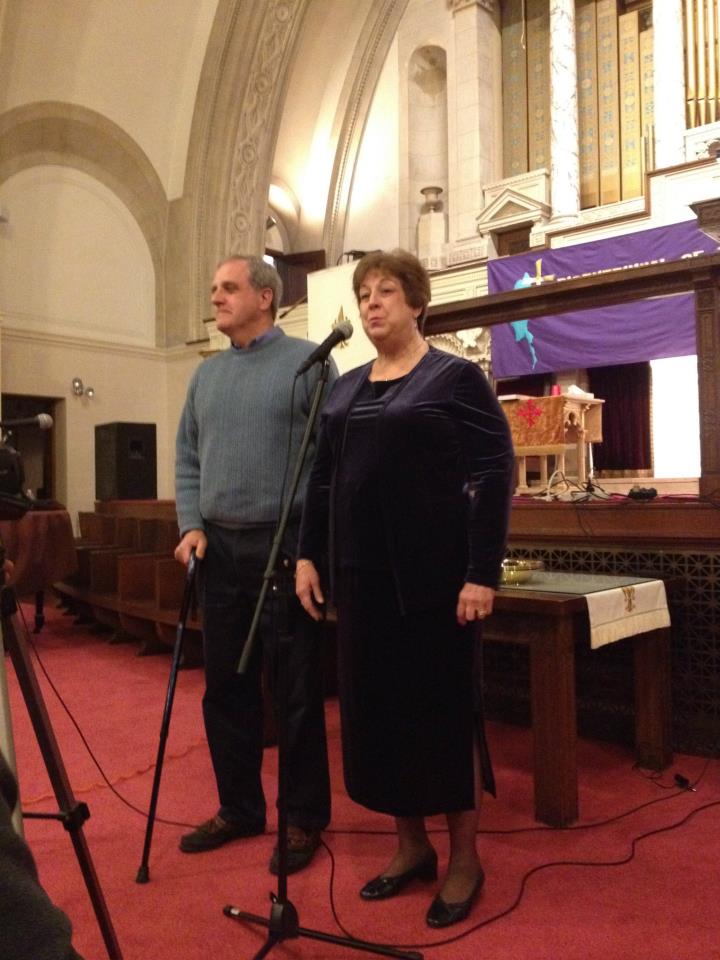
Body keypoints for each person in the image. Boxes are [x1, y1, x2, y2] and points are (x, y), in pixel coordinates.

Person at [296, 249, 514, 927]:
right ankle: (412, 846)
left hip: (435, 583)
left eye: (386, 290)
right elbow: (322, 480)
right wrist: (307, 556)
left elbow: (495, 472)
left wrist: (481, 572)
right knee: (380, 715)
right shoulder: (343, 388)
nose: (371, 303)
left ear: (418, 303)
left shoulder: (454, 378)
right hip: (361, 583)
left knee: (441, 716)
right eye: (364, 293)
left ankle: (465, 860)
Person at [174, 254, 333, 875]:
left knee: (295, 691)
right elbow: (188, 458)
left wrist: (312, 544)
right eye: (213, 288)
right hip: (218, 550)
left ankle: (303, 818)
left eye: (228, 287)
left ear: (265, 297)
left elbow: (327, 461)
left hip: (284, 546)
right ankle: (239, 807)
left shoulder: (308, 364)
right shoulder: (206, 376)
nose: (216, 297)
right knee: (226, 688)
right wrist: (190, 523)